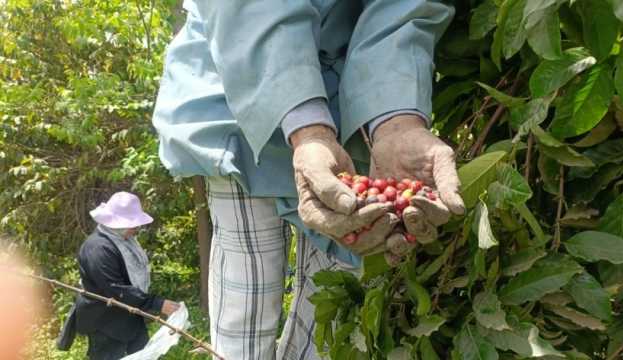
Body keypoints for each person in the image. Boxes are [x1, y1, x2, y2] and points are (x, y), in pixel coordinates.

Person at [152, 1, 464, 359]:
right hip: (241, 87)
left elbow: (404, 8)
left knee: (330, 316)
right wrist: (308, 131)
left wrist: (397, 123)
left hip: (353, 110)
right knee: (245, 322)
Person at [69, 192, 180, 360]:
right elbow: (116, 290)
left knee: (143, 355)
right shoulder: (98, 249)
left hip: (130, 316)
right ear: (117, 224)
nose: (137, 230)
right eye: (133, 225)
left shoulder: (123, 241)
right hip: (105, 324)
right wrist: (157, 303)